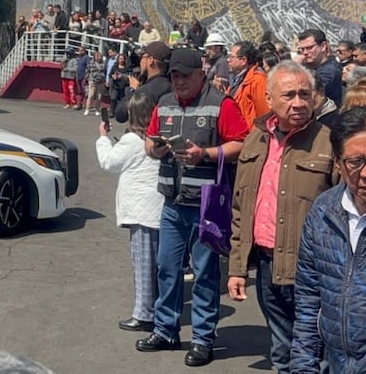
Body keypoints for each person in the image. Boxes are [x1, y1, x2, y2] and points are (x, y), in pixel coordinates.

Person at [135, 48, 249, 367]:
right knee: (167, 269)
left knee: (204, 274)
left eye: (186, 75)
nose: (180, 81)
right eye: (175, 75)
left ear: (201, 74)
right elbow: (148, 142)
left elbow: (242, 142)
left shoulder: (221, 104)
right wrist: (155, 148)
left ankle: (202, 339)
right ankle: (166, 330)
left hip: (206, 206)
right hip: (172, 203)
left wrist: (207, 153)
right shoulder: (165, 103)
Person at [227, 61, 338, 373]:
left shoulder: (329, 143)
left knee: (316, 356)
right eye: (289, 95)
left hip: (313, 270)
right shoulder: (255, 139)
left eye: (305, 94)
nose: (299, 102)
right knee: (281, 352)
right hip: (266, 264)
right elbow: (241, 207)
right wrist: (237, 268)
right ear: (269, 97)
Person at [291, 107, 366, 372]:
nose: (365, 173)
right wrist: (303, 366)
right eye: (356, 162)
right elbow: (309, 301)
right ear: (337, 162)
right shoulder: (323, 211)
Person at [96, 92, 163, 334]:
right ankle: (155, 310)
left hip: (140, 209)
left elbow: (109, 162)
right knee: (156, 264)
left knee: (143, 263)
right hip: (156, 207)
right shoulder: (156, 137)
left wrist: (103, 138)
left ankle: (144, 314)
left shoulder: (132, 140)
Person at [114, 41, 171, 124]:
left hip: (146, 134)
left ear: (151, 60)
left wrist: (132, 90)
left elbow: (121, 115)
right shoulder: (173, 86)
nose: (140, 61)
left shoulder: (145, 91)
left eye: (142, 57)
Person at [227, 40, 270, 124]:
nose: (228, 60)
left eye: (231, 57)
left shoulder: (258, 81)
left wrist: (254, 137)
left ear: (243, 60)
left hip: (251, 135)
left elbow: (265, 116)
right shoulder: (238, 79)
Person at [298, 28, 342, 109]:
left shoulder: (330, 71)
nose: (305, 52)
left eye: (309, 48)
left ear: (323, 46)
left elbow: (309, 91)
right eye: (302, 49)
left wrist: (295, 67)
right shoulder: (312, 66)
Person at [83, 49, 107, 116]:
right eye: (97, 56)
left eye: (99, 56)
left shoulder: (104, 63)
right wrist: (88, 78)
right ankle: (87, 109)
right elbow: (87, 70)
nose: (98, 57)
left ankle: (97, 109)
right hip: (92, 80)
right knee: (91, 95)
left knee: (99, 96)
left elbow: (105, 71)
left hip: (101, 81)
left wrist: (105, 79)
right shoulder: (91, 63)